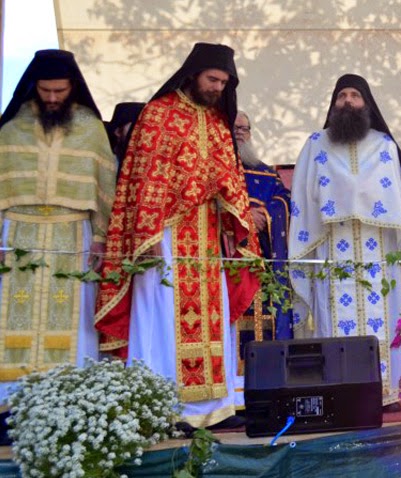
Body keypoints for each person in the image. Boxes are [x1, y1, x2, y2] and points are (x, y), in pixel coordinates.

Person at [95, 43, 260, 427]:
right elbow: (143, 182)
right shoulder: (158, 114)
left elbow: (231, 180)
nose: (218, 87)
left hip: (208, 236)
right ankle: (163, 408)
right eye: (213, 79)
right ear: (194, 73)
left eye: (224, 83)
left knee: (212, 319)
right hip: (164, 237)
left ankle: (213, 409)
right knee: (163, 318)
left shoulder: (218, 122)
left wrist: (233, 219)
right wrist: (149, 231)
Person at [288, 74, 401, 408]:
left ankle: (386, 391)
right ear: (333, 103)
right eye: (342, 95)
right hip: (332, 250)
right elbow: (303, 200)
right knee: (331, 317)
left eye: (355, 95)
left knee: (386, 316)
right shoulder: (315, 145)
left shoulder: (385, 146)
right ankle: (339, 392)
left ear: (366, 103)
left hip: (379, 252)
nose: (348, 101)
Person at [0, 49, 115, 410]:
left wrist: (100, 237)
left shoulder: (90, 127)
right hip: (18, 234)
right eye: (45, 90)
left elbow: (104, 186)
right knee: (10, 315)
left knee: (73, 316)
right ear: (34, 87)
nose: (52, 98)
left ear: (72, 88)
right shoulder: (12, 127)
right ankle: (10, 405)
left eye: (59, 91)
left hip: (72, 234)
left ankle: (69, 403)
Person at [233, 110, 294, 408]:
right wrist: (244, 216)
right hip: (231, 261)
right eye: (234, 128)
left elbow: (284, 200)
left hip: (265, 264)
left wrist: (266, 214)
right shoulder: (218, 170)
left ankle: (269, 387)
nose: (240, 133)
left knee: (267, 319)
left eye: (244, 128)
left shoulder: (266, 172)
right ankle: (233, 388)